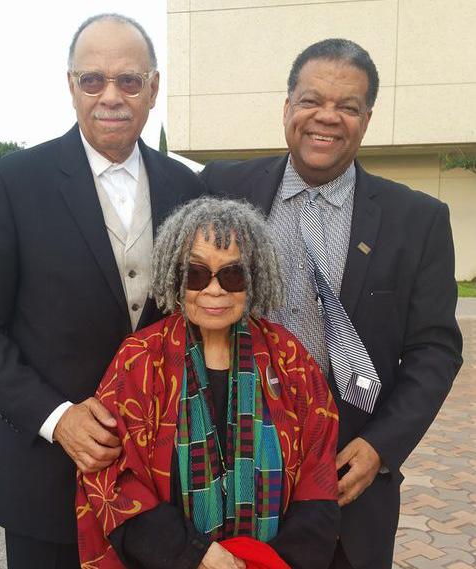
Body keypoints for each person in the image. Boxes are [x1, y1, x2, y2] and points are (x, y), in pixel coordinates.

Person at [0, 13, 204, 569]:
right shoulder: (14, 181)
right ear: (71, 86)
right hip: (45, 480)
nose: (111, 96)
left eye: (129, 80)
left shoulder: (187, 188)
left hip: (162, 483)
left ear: (153, 88)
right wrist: (56, 417)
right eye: (93, 80)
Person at [199, 39, 463, 569]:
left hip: (345, 483)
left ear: (367, 119)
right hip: (225, 473)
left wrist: (382, 447)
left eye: (347, 106)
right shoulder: (221, 188)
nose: (327, 117)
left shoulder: (418, 220)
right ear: (287, 107)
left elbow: (435, 351)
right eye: (311, 100)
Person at [76, 197, 340, 569]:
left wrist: (270, 562)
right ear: (174, 276)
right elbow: (113, 478)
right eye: (196, 274)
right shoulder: (140, 359)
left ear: (255, 278)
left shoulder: (289, 358)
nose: (214, 290)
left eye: (233, 275)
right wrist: (194, 554)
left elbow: (318, 471)